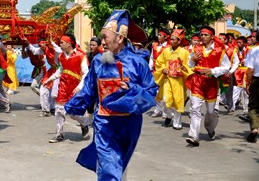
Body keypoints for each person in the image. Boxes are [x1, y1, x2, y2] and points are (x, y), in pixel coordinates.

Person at [65, 10, 157, 180]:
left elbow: (151, 94)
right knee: (108, 166)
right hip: (104, 123)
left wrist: (132, 89)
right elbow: (88, 89)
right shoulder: (98, 62)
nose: (102, 42)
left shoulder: (138, 63)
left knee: (119, 165)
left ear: (119, 38)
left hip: (129, 124)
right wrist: (73, 105)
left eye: (106, 37)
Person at [185, 26, 230, 147]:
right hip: (197, 81)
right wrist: (192, 60)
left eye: (206, 35)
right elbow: (189, 64)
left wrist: (212, 71)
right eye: (202, 35)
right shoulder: (196, 48)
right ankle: (194, 135)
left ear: (212, 36)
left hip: (211, 83)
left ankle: (210, 128)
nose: (203, 37)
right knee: (195, 109)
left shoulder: (220, 50)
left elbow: (227, 67)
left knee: (210, 112)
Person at [42, 33, 90, 143]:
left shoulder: (81, 56)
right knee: (59, 109)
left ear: (69, 44)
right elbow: (60, 71)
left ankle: (84, 123)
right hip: (63, 85)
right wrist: (50, 79)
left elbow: (86, 74)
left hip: (75, 87)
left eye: (62, 42)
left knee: (73, 112)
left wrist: (79, 87)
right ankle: (59, 134)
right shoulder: (62, 56)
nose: (60, 44)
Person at [154, 29, 192, 130]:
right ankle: (169, 115)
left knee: (178, 101)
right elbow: (159, 62)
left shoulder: (185, 52)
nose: (171, 41)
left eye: (174, 39)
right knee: (165, 100)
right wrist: (163, 69)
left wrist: (184, 69)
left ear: (179, 41)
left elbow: (189, 66)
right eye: (171, 39)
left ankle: (177, 122)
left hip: (179, 81)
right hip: (168, 80)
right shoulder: (166, 51)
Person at [149, 28, 171, 117]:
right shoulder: (154, 45)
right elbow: (151, 57)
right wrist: (149, 67)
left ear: (165, 37)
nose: (158, 37)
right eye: (158, 35)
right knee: (155, 91)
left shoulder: (168, 47)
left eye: (160, 35)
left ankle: (165, 111)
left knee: (164, 91)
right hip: (155, 70)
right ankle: (157, 109)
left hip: (164, 71)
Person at [245, 29, 259, 142]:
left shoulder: (254, 51)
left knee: (254, 106)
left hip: (257, 81)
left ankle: (254, 129)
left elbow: (250, 70)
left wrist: (248, 83)